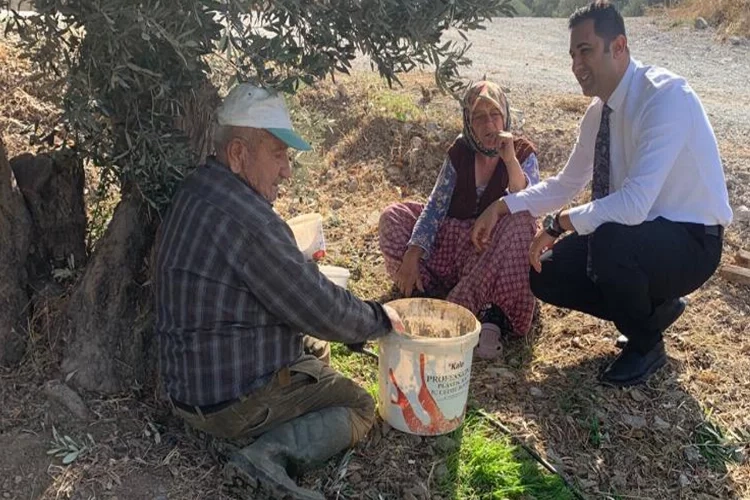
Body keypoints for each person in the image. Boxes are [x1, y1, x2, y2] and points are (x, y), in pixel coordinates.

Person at [154, 83, 404, 500]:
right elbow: (320, 308)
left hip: (186, 384)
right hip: (229, 399)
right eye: (278, 154)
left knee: (312, 352)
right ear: (238, 154)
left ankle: (254, 429)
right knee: (359, 406)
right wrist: (378, 320)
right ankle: (266, 456)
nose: (287, 169)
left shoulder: (197, 186)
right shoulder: (253, 223)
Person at [472, 1, 732, 387]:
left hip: (692, 241)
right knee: (546, 272)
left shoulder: (665, 98)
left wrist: (558, 223)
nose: (577, 63)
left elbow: (634, 202)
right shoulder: (598, 114)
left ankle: (646, 345)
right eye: (573, 54)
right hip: (639, 235)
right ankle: (653, 308)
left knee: (610, 242)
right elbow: (565, 184)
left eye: (586, 50)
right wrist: (502, 205)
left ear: (619, 46)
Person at [379, 81, 541, 359]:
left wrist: (509, 159)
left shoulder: (522, 152)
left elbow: (529, 199)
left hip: (493, 250)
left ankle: (481, 311)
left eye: (495, 114)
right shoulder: (460, 151)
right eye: (479, 117)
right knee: (394, 217)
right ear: (468, 121)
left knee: (522, 221)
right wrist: (413, 254)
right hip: (455, 245)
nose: (488, 123)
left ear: (505, 116)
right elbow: (435, 206)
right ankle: (426, 290)